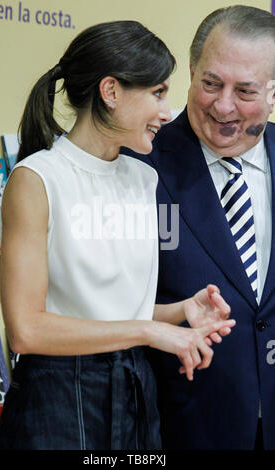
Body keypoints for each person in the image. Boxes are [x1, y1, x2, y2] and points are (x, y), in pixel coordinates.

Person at [0, 21, 235, 450]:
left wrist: (181, 311)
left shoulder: (144, 177)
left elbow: (110, 312)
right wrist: (148, 331)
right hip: (57, 396)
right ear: (111, 92)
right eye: (158, 93)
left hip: (136, 389)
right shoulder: (36, 179)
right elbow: (27, 330)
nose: (167, 111)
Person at [124, 5, 275, 450]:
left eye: (245, 91)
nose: (223, 105)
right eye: (210, 83)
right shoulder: (137, 163)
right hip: (181, 426)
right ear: (191, 71)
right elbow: (102, 306)